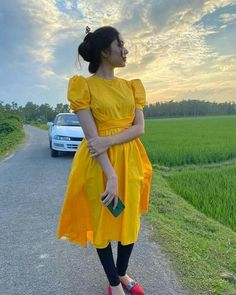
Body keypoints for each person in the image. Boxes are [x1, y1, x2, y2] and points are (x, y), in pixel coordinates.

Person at [57, 26, 153, 295]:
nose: (125, 50)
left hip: (130, 159)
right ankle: (114, 284)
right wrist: (110, 175)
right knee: (102, 223)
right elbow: (92, 138)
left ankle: (122, 273)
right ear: (104, 51)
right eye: (119, 44)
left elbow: (139, 128)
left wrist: (109, 141)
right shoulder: (83, 87)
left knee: (129, 219)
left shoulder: (131, 86)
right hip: (98, 165)